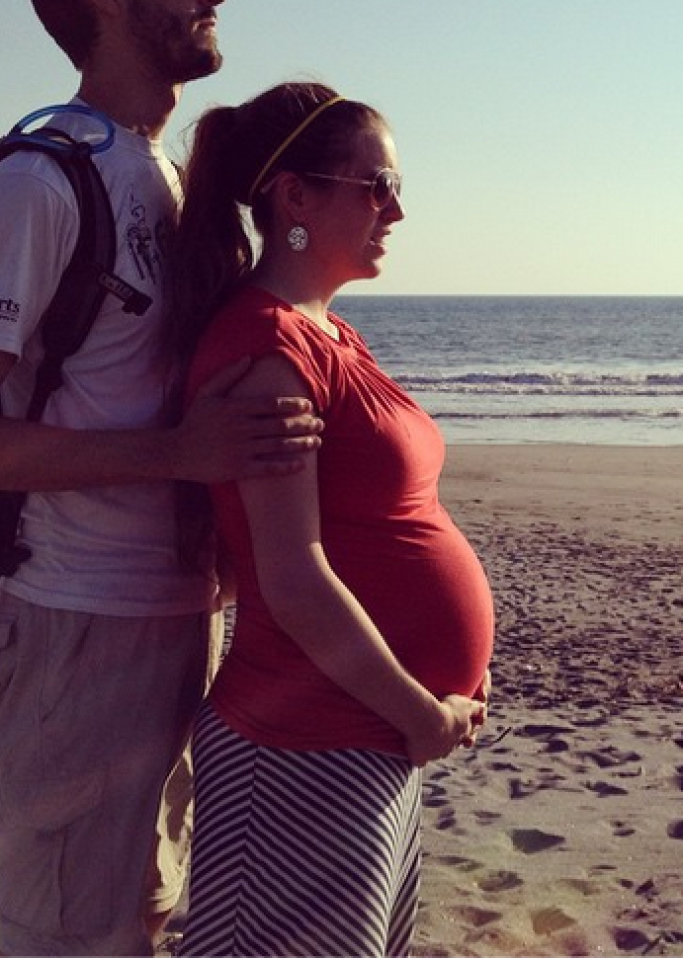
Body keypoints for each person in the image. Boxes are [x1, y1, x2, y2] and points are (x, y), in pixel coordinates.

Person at [0, 0, 322, 958]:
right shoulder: (41, 182)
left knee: (140, 919)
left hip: (178, 616)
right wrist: (175, 455)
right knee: (68, 937)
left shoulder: (166, 179)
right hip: (73, 619)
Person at [166, 82, 495, 957]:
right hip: (303, 748)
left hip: (359, 740)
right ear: (295, 195)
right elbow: (296, 579)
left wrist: (420, 709)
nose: (396, 208)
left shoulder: (328, 333)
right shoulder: (270, 347)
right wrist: (419, 711)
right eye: (376, 184)